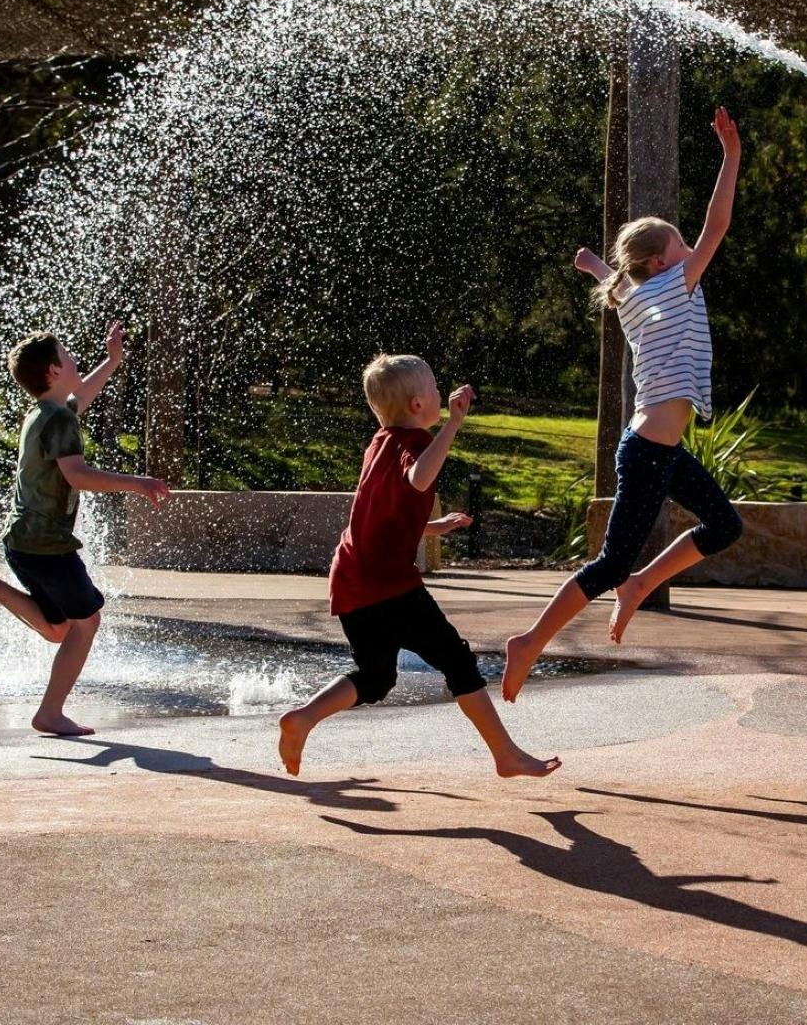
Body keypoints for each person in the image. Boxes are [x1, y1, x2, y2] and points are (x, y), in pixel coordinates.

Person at [501, 108, 745, 702]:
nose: (693, 248)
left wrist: (596, 267)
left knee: (725, 525)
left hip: (659, 451)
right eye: (681, 244)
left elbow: (623, 281)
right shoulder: (674, 283)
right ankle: (529, 641)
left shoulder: (637, 297)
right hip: (646, 454)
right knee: (608, 562)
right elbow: (718, 223)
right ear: (664, 262)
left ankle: (637, 587)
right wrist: (731, 157)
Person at [277, 354, 561, 779]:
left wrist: (429, 526)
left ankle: (304, 717)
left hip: (352, 579)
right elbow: (418, 480)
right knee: (458, 662)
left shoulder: (380, 442)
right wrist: (454, 424)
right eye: (433, 388)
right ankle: (506, 754)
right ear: (416, 405)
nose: (439, 395)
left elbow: (382, 516)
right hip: (387, 585)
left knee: (375, 677)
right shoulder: (414, 444)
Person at [0, 321, 170, 736]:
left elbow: (80, 396)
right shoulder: (59, 420)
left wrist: (112, 362)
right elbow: (77, 475)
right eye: (67, 356)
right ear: (52, 371)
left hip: (25, 541)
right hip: (46, 543)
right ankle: (49, 712)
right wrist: (137, 483)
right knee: (86, 623)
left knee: (58, 628)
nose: (74, 360)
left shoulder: (42, 413)